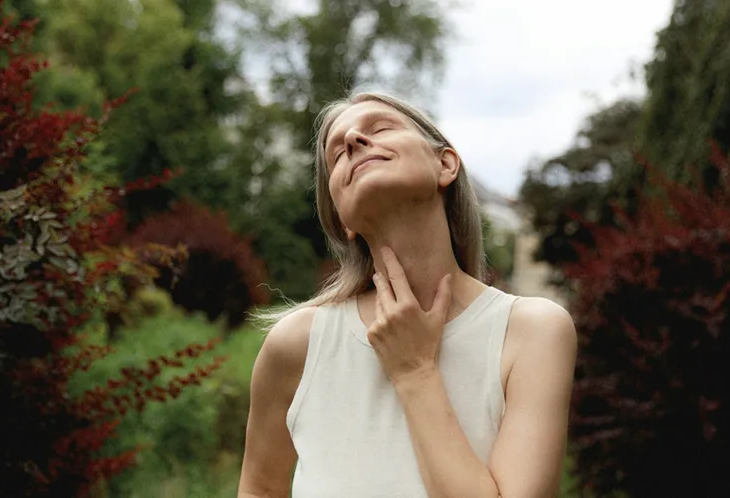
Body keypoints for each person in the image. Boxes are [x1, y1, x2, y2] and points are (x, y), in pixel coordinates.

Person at [237, 91, 577, 498]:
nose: (354, 141)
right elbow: (259, 489)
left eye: (381, 128)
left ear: (445, 165)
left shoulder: (532, 332)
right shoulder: (296, 344)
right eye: (337, 153)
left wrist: (415, 372)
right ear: (342, 220)